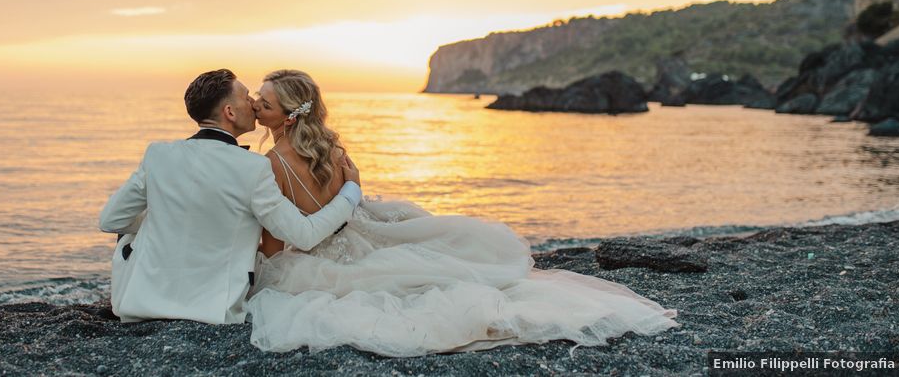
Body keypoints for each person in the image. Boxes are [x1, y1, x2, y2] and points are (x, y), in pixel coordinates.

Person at [247, 69, 678, 356]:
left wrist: (262, 268)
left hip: (325, 252)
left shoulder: (274, 163)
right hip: (356, 234)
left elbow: (275, 238)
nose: (254, 104)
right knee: (421, 270)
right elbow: (346, 203)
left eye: (263, 102)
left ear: (286, 117)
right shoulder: (332, 148)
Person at [99, 69, 363, 324]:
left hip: (140, 305)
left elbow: (111, 220)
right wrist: (350, 193)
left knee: (132, 231)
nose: (254, 104)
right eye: (247, 97)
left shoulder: (158, 154)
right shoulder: (254, 167)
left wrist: (168, 218)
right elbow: (304, 235)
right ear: (229, 112)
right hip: (214, 309)